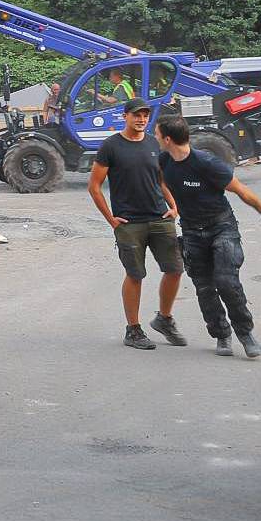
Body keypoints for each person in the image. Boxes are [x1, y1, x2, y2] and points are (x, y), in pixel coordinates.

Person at [156, 117, 261, 358]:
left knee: (226, 281)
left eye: (157, 134)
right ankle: (222, 335)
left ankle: (245, 334)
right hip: (192, 231)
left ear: (168, 139)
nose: (156, 138)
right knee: (204, 287)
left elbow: (241, 190)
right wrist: (173, 205)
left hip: (221, 226)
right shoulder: (165, 161)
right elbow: (161, 181)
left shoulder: (206, 163)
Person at [88, 99, 187, 351]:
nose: (141, 119)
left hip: (160, 218)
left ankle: (164, 319)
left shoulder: (153, 143)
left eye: (145, 115)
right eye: (136, 115)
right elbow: (94, 186)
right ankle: (133, 330)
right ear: (125, 116)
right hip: (129, 222)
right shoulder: (111, 146)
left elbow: (161, 180)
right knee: (135, 275)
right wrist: (111, 219)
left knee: (175, 269)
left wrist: (174, 206)